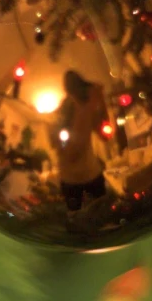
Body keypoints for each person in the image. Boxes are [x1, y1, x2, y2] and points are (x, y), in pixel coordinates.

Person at [52, 70, 109, 211]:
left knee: (103, 215)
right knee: (76, 220)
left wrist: (101, 102)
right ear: (68, 91)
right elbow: (70, 153)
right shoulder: (63, 111)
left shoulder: (88, 109)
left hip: (92, 174)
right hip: (70, 180)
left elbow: (105, 135)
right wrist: (87, 108)